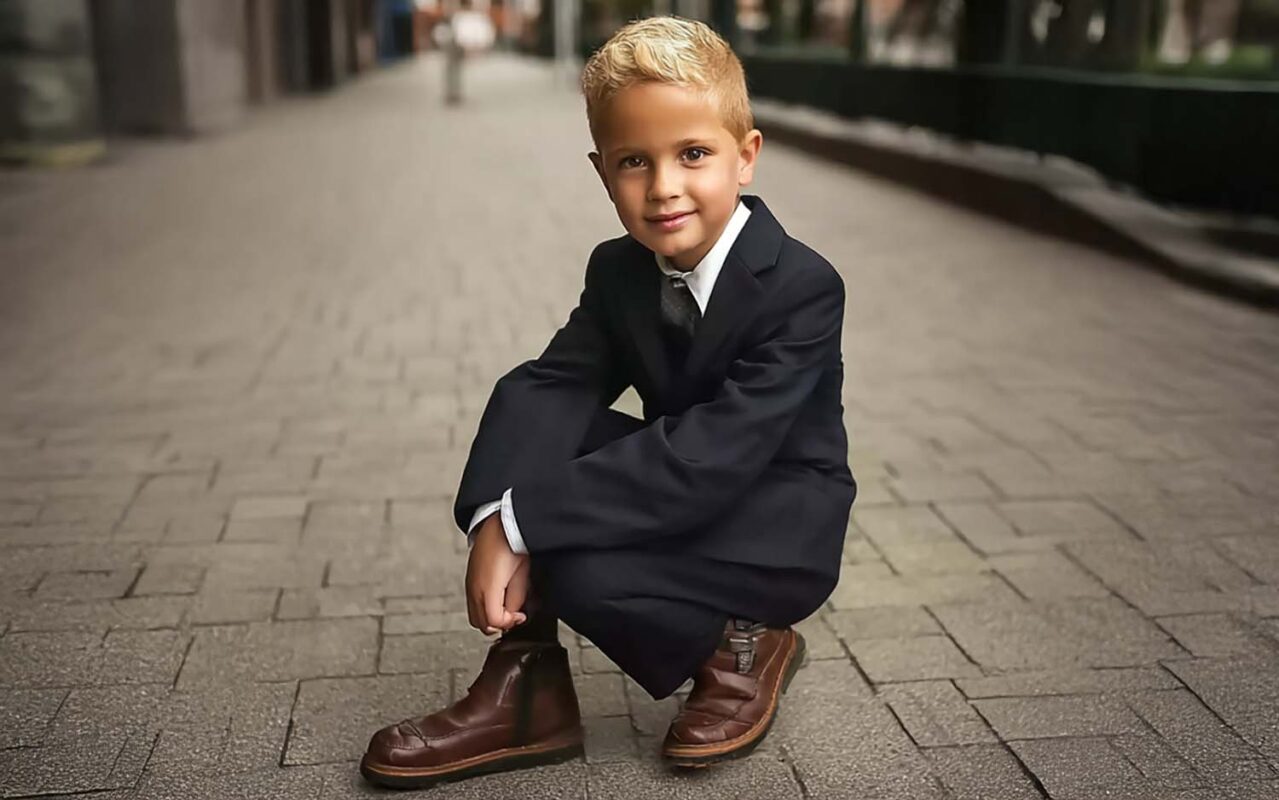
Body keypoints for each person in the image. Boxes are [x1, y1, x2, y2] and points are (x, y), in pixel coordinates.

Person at [360, 15, 855, 789]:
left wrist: (528, 521)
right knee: (545, 420)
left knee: (581, 566)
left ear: (746, 156)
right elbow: (551, 384)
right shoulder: (619, 270)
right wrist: (495, 515)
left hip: (770, 522)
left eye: (693, 154)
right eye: (633, 161)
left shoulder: (801, 287)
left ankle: (739, 652)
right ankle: (528, 685)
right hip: (687, 486)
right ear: (601, 173)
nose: (663, 187)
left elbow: (712, 454)